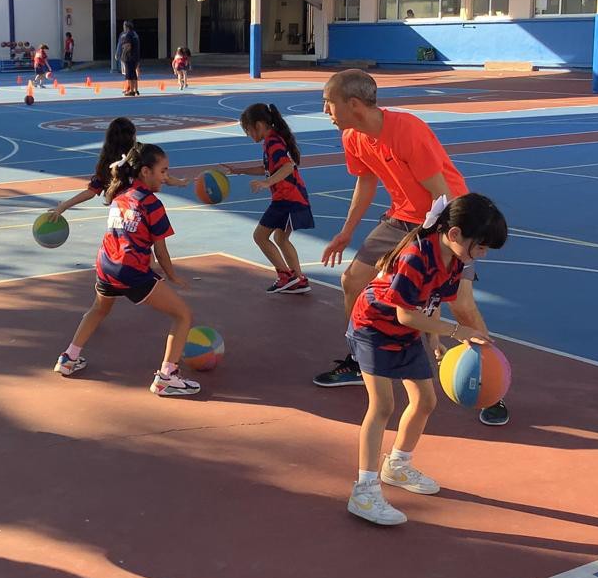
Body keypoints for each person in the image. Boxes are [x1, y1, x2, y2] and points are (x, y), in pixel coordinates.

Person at [317, 70, 509, 427]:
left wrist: (441, 252)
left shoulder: (407, 131)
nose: (326, 110)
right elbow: (366, 182)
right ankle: (361, 360)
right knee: (352, 281)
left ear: (354, 104)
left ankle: (493, 385)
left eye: (329, 103)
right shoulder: (353, 137)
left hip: (449, 217)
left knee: (461, 304)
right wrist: (346, 232)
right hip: (402, 217)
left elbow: (441, 196)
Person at [345, 193, 507, 525]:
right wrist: (456, 332)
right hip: (373, 327)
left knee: (425, 401)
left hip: (407, 331)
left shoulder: (455, 260)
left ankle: (397, 465)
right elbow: (406, 314)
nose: (483, 253)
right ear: (455, 234)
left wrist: (433, 338)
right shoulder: (415, 256)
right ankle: (364, 491)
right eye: (481, 246)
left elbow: (429, 302)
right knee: (382, 407)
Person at [54, 143, 199, 397]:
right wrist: (173, 276)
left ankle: (68, 359)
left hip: (106, 264)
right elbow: (161, 252)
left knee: (99, 309)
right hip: (130, 270)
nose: (166, 177)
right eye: (163, 171)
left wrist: (173, 181)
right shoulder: (152, 205)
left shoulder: (121, 194)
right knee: (183, 315)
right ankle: (167, 377)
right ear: (145, 171)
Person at [221, 103, 313, 294]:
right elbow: (269, 167)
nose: (248, 134)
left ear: (260, 125)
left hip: (287, 198)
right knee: (280, 237)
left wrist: (266, 183)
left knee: (260, 236)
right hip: (294, 196)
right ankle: (298, 278)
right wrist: (241, 171)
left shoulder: (273, 142)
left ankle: (286, 276)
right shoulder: (273, 140)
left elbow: (287, 167)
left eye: (248, 130)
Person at [47, 117, 191, 222]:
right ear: (132, 136)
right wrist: (181, 182)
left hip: (119, 216)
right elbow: (162, 176)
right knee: (143, 251)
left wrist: (64, 206)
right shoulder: (138, 157)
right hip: (140, 212)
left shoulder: (108, 164)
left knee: (124, 249)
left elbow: (90, 192)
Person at [117, 22, 140, 96]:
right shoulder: (135, 34)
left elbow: (128, 46)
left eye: (124, 26)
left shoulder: (128, 34)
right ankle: (135, 89)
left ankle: (131, 90)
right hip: (135, 56)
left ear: (126, 27)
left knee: (129, 74)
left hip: (129, 57)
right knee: (133, 74)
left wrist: (123, 54)